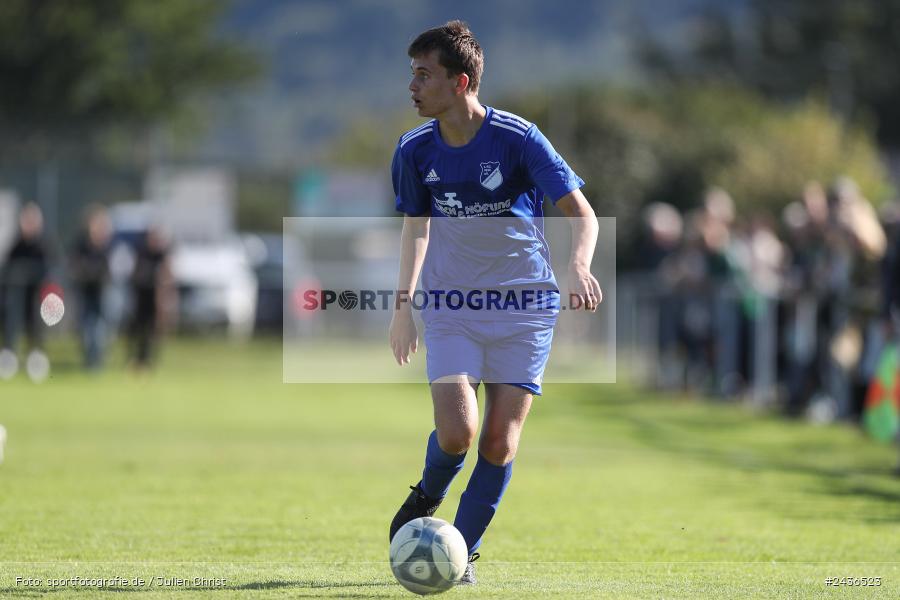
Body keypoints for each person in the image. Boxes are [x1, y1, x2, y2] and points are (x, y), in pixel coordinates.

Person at [388, 21, 601, 585]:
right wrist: (402, 307)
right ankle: (427, 494)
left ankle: (460, 553)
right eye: (412, 73)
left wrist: (578, 264)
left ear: (460, 83)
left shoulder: (518, 138)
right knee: (458, 432)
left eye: (423, 75)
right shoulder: (414, 150)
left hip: (525, 307)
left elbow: (581, 213)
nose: (412, 85)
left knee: (500, 441)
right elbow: (417, 231)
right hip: (453, 303)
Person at [0, 203, 53, 381]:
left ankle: (36, 359)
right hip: (16, 297)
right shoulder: (16, 245)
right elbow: (7, 269)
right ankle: (9, 357)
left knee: (36, 328)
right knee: (11, 323)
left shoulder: (44, 245)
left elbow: (51, 270)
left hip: (37, 298)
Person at [69, 205, 112, 370]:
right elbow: (74, 266)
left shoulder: (107, 246)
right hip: (85, 292)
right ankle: (89, 361)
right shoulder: (81, 244)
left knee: (100, 329)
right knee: (86, 329)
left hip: (101, 293)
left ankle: (97, 362)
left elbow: (109, 271)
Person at [128, 226, 175, 370]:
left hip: (156, 301)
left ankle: (149, 360)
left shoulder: (161, 255)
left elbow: (168, 276)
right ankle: (137, 359)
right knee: (138, 331)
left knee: (153, 332)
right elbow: (135, 275)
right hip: (141, 300)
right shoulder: (141, 253)